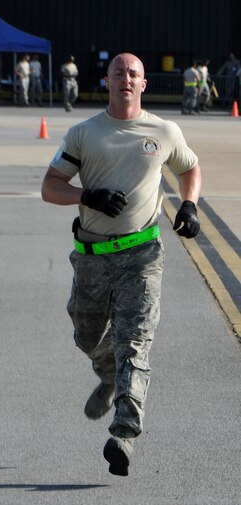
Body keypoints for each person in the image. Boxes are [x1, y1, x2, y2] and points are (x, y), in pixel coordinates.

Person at [41, 53, 201, 477]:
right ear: (107, 80)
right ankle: (109, 377)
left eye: (134, 73)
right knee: (86, 334)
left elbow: (191, 167)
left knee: (135, 342)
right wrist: (85, 196)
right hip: (92, 257)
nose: (126, 79)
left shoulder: (163, 131)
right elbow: (49, 187)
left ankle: (124, 434)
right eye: (119, 72)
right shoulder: (84, 133)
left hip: (142, 255)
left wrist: (189, 204)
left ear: (143, 84)